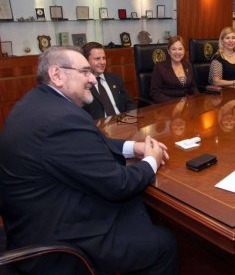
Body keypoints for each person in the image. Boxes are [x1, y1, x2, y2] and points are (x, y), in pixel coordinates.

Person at [0, 46, 179, 275]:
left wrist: (132, 147)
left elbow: (89, 143)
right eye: (85, 71)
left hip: (39, 216)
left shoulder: (39, 102)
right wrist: (151, 161)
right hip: (59, 245)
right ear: (57, 75)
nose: (93, 79)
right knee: (164, 242)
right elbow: (119, 185)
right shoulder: (61, 119)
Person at [81, 42, 136, 119]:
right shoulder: (83, 85)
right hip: (99, 127)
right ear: (86, 61)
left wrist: (134, 120)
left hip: (122, 124)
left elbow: (129, 105)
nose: (102, 62)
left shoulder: (116, 79)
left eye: (104, 58)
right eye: (97, 59)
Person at [150, 36, 199, 103]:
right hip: (166, 106)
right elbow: (155, 93)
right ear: (168, 51)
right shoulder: (159, 68)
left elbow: (192, 87)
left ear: (184, 51)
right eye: (173, 49)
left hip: (184, 106)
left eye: (180, 49)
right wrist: (173, 104)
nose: (177, 52)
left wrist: (198, 99)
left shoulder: (188, 65)